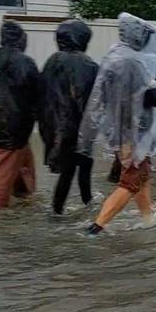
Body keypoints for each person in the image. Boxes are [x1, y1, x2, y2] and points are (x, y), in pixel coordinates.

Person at [79, 13, 156, 236]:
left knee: (142, 176)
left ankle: (147, 218)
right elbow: (144, 96)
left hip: (119, 130)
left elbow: (134, 89)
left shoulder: (116, 55)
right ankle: (95, 228)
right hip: (132, 133)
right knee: (131, 182)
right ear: (137, 34)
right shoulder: (130, 60)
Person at [0, 21, 40, 209]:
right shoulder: (24, 62)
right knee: (5, 165)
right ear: (21, 39)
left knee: (21, 158)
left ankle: (23, 193)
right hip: (15, 123)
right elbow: (36, 91)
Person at [38, 20, 99, 214]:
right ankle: (69, 208)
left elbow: (40, 93)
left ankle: (79, 204)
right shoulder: (87, 64)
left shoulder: (51, 61)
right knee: (77, 166)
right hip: (76, 126)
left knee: (72, 167)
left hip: (52, 125)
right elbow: (90, 98)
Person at [107, 27, 156, 186]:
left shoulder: (124, 57)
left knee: (128, 160)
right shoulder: (153, 60)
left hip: (131, 118)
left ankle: (120, 186)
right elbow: (151, 89)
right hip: (148, 116)